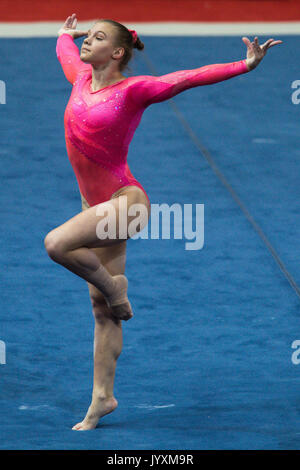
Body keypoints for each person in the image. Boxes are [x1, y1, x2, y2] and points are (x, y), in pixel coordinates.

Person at [44, 13, 282, 430]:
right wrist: (66, 33)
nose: (87, 42)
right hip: (94, 206)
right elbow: (64, 48)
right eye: (88, 36)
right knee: (102, 312)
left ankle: (116, 290)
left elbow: (186, 78)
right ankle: (103, 398)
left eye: (97, 38)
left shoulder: (134, 90)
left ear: (118, 52)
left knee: (57, 245)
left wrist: (244, 64)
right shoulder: (79, 78)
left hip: (125, 203)